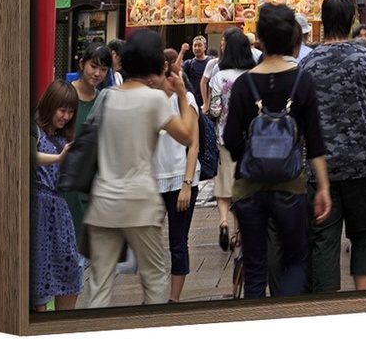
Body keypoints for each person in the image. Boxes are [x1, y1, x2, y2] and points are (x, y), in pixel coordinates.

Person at [82, 29, 197, 307]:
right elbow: (186, 136)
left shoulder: (107, 96)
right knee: (154, 278)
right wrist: (182, 94)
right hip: (140, 202)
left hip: (103, 201)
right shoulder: (153, 100)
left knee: (99, 284)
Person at [223, 3, 331, 297]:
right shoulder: (302, 80)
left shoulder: (244, 84)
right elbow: (315, 142)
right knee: (295, 262)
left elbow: (230, 138)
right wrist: (323, 187)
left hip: (248, 188)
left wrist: (251, 157)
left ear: (259, 39)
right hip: (290, 187)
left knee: (255, 268)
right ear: (293, 39)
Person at [300, 0, 366, 293]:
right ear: (353, 19)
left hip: (320, 168)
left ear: (323, 20)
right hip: (362, 164)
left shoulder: (307, 63)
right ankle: (360, 299)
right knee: (364, 234)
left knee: (324, 239)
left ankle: (329, 305)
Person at [150, 48, 201, 302]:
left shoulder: (186, 98)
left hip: (181, 177)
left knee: (177, 242)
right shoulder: (149, 101)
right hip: (153, 180)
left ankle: (173, 300)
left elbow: (194, 144)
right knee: (148, 243)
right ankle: (153, 296)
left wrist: (187, 184)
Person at [30, 79, 82, 312]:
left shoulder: (64, 138)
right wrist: (60, 158)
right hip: (38, 208)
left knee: (70, 268)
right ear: (50, 105)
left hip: (60, 210)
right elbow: (29, 156)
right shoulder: (34, 131)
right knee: (38, 270)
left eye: (71, 112)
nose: (66, 117)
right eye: (62, 110)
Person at [208, 28, 256, 251]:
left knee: (223, 184)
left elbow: (215, 109)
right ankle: (239, 231)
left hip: (224, 137)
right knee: (242, 185)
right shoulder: (253, 75)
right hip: (249, 138)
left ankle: (223, 222)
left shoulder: (220, 76)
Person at [64, 41, 113, 248]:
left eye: (103, 69)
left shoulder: (104, 101)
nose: (97, 73)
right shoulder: (64, 94)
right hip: (63, 182)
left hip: (90, 186)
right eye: (93, 66)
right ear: (82, 63)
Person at [181, 35, 209, 109]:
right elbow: (177, 70)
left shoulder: (211, 62)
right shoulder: (189, 63)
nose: (197, 48)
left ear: (205, 47)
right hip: (193, 100)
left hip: (208, 101)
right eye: (195, 46)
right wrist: (182, 52)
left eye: (199, 45)